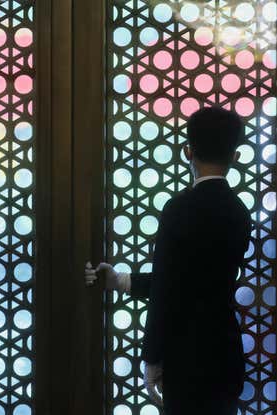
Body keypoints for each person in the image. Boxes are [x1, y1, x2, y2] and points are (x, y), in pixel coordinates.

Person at [86, 107, 251, 414]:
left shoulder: (178, 209)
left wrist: (152, 356)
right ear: (235, 156)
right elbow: (194, 280)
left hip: (184, 358)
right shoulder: (239, 213)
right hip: (225, 355)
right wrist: (122, 280)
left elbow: (169, 286)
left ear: (187, 151)